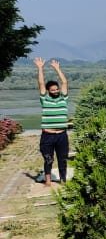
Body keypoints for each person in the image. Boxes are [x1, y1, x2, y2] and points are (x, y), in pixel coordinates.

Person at [34, 58, 70, 186]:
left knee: (62, 159)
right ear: (49, 91)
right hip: (47, 135)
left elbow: (65, 82)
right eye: (53, 90)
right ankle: (48, 181)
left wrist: (57, 69)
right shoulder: (45, 100)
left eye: (57, 89)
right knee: (48, 159)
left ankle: (63, 180)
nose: (55, 91)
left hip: (62, 135)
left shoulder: (63, 99)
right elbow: (41, 84)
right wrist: (40, 68)